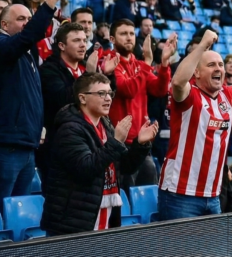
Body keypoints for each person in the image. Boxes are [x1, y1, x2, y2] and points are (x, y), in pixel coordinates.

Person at [158, 32, 232, 220]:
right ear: (197, 73)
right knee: (181, 250)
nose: (219, 68)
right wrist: (202, 46)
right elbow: (178, 81)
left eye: (221, 65)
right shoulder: (189, 95)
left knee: (210, 250)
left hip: (213, 195)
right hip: (180, 193)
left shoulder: (228, 94)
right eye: (211, 65)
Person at [0, 0, 63, 211]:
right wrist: (51, 1)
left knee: (19, 215)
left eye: (29, 18)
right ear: (4, 24)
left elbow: (32, 95)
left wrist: (39, 127)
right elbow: (29, 36)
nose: (27, 23)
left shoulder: (27, 54)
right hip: (4, 146)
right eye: (21, 19)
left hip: (27, 145)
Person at [41, 73, 158, 234]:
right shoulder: (69, 129)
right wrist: (116, 142)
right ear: (82, 98)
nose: (108, 98)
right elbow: (85, 169)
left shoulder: (106, 125)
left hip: (104, 215)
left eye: (110, 93)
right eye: (101, 94)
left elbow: (124, 167)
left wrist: (140, 144)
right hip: (73, 221)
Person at [38, 22, 116, 188]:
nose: (83, 44)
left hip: (91, 140)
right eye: (76, 41)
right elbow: (61, 99)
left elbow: (104, 100)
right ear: (61, 45)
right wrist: (89, 74)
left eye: (84, 40)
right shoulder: (49, 70)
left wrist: (105, 75)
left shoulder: (84, 68)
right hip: (60, 145)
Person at [105, 21, 176, 188]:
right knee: (125, 190)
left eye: (131, 33)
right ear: (112, 39)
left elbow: (159, 89)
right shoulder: (109, 61)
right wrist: (147, 63)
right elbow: (127, 89)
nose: (129, 37)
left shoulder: (138, 65)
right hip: (119, 140)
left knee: (149, 186)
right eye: (123, 34)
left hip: (141, 139)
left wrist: (164, 63)